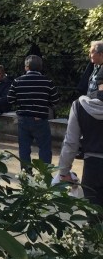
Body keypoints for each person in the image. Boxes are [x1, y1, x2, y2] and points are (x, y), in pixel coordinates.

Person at [57, 70, 103, 205]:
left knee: (94, 216)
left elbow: (71, 142)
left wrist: (64, 171)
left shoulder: (80, 105)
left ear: (97, 82)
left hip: (92, 166)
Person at [7, 54, 59, 171]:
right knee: (45, 148)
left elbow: (10, 99)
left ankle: (26, 174)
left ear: (26, 67)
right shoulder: (47, 81)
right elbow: (55, 100)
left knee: (24, 148)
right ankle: (44, 174)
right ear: (40, 67)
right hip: (40, 118)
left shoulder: (17, 81)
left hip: (23, 118)